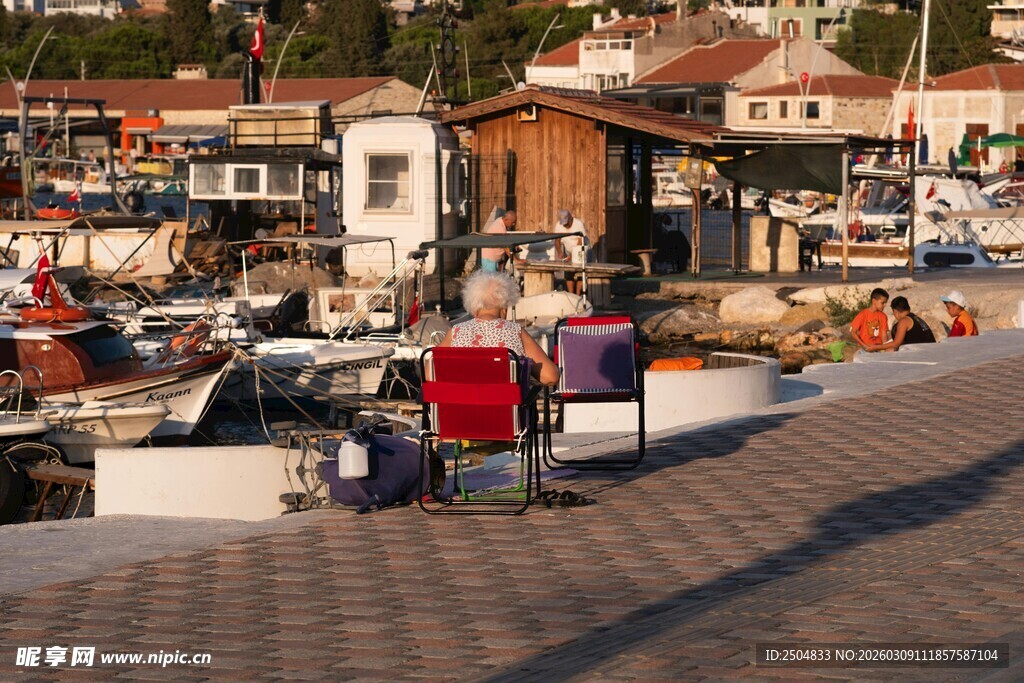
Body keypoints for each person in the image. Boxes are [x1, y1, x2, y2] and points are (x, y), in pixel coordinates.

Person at [440, 271, 559, 386]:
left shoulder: (455, 332)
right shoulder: (515, 332)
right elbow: (550, 377)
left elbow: (430, 373)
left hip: (461, 404)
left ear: (474, 309)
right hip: (505, 405)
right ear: (504, 309)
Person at [866, 296, 935, 352]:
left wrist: (876, 347)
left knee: (890, 350)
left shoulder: (904, 321)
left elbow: (896, 343)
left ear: (895, 311)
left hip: (925, 353)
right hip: (932, 350)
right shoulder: (915, 318)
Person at [553, 209, 590, 295]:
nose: (565, 226)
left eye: (566, 223)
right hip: (568, 250)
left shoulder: (578, 224)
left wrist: (572, 255)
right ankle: (571, 295)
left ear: (570, 218)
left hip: (581, 249)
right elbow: (557, 240)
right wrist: (559, 251)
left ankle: (578, 295)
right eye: (564, 224)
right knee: (568, 273)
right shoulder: (558, 225)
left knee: (580, 272)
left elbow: (580, 242)